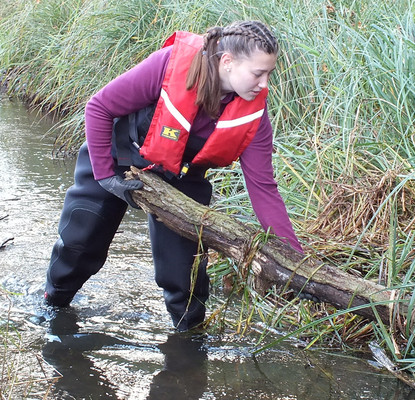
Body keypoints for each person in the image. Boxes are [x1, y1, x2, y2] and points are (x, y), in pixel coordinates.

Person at [44, 20, 303, 331]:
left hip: (183, 177)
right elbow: (99, 107)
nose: (265, 84)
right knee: (80, 246)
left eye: (269, 74)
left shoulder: (254, 116)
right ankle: (52, 307)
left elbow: (263, 186)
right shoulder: (167, 65)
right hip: (118, 157)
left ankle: (189, 343)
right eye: (258, 73)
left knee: (186, 279)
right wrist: (105, 177)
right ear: (228, 61)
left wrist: (293, 258)